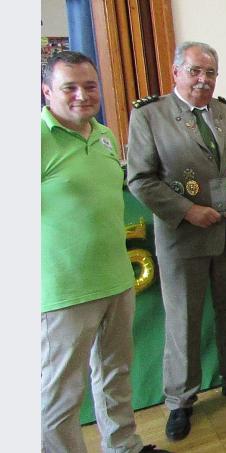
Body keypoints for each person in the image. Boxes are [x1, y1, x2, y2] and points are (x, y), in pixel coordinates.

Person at [127, 41, 226, 442]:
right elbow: (140, 178)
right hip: (184, 238)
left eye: (210, 72)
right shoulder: (150, 115)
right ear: (176, 72)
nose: (203, 79)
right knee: (184, 323)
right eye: (195, 71)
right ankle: (179, 400)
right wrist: (187, 210)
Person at [41, 50, 167, 453]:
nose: (82, 95)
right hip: (63, 291)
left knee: (115, 374)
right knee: (60, 396)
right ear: (47, 92)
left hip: (116, 279)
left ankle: (123, 446)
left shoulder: (105, 135)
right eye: (70, 88)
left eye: (90, 86)